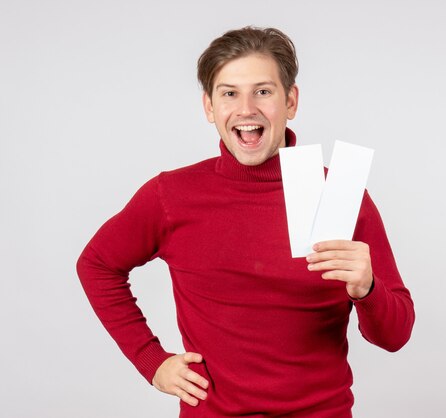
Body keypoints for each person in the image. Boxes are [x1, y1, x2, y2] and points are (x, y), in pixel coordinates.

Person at [77, 26, 414, 418]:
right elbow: (97, 264)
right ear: (209, 107)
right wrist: (151, 360)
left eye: (264, 91)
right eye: (229, 93)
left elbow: (396, 336)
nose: (246, 108)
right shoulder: (171, 195)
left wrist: (367, 288)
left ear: (290, 101)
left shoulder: (341, 196)